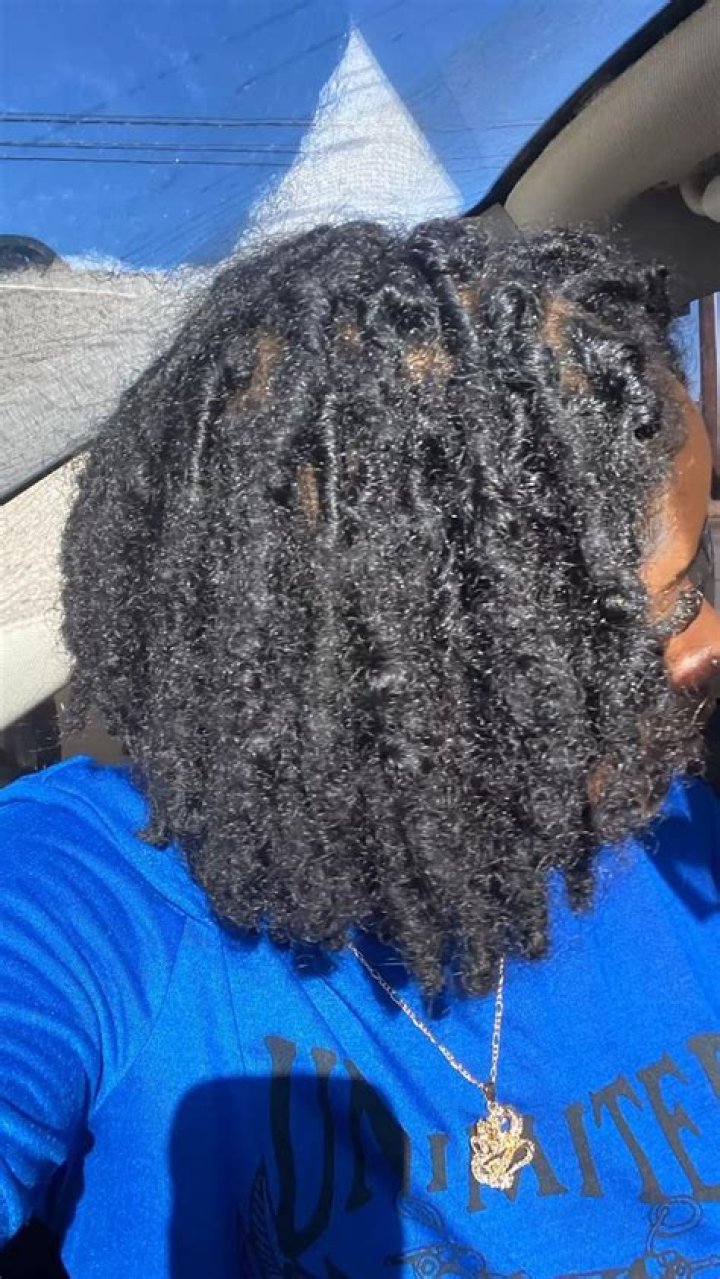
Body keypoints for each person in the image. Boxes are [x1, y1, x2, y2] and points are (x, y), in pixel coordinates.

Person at [1, 219, 719, 1279]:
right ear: (429, 655)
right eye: (668, 601)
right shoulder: (78, 892)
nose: (708, 639)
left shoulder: (664, 831)